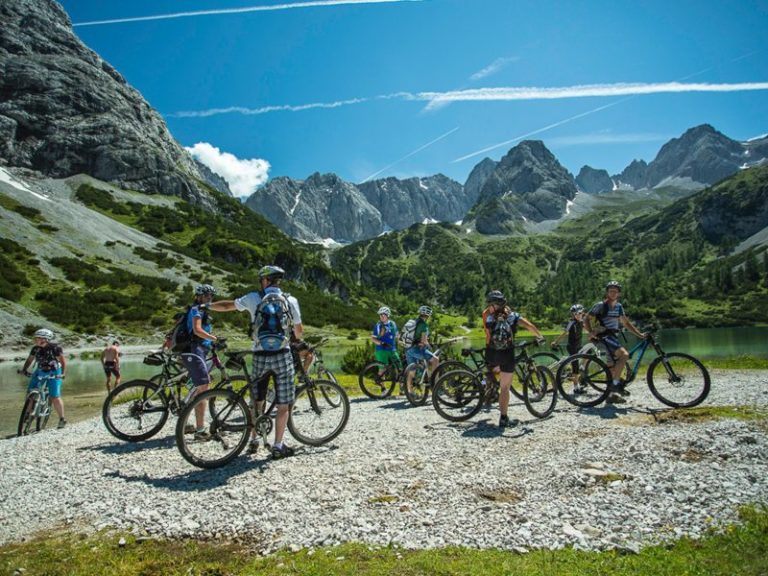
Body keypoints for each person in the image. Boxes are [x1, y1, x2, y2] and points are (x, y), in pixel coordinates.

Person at [208, 265, 302, 459]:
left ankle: (254, 440)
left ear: (265, 280)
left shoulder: (253, 298)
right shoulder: (290, 300)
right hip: (282, 355)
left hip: (260, 355)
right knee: (283, 404)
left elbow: (227, 306)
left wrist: (206, 306)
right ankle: (278, 445)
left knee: (256, 400)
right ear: (278, 281)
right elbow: (299, 331)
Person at [483, 290, 545, 428]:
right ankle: (503, 419)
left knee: (491, 373)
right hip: (507, 354)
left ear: (495, 305)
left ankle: (486, 387)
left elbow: (488, 336)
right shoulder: (513, 316)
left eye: (490, 305)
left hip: (492, 353)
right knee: (505, 388)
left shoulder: (489, 319)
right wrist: (540, 336)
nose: (489, 307)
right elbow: (529, 326)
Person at [584, 281, 647, 404]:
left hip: (613, 336)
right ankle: (616, 384)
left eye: (615, 291)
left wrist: (639, 334)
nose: (613, 293)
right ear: (607, 292)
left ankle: (611, 396)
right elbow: (587, 318)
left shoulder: (619, 307)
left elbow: (626, 323)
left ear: (619, 293)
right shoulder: (600, 305)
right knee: (624, 355)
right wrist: (591, 332)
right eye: (611, 291)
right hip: (603, 335)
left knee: (612, 367)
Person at [180, 284, 221, 438]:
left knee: (198, 386)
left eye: (211, 296)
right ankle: (200, 430)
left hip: (200, 350)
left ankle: (185, 421)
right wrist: (214, 338)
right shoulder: (197, 310)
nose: (209, 298)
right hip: (195, 350)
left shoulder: (202, 311)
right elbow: (197, 330)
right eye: (206, 296)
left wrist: (211, 340)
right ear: (198, 296)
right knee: (203, 388)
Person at [20, 328, 67, 429]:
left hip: (54, 371)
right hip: (40, 370)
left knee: (54, 396)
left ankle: (62, 419)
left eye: (40, 338)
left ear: (47, 339)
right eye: (36, 338)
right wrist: (24, 369)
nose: (37, 340)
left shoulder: (55, 348)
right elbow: (30, 360)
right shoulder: (35, 348)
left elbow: (63, 362)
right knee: (30, 393)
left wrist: (62, 374)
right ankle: (27, 414)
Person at [404, 305, 439, 397]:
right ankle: (434, 383)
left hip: (407, 349)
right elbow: (424, 340)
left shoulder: (414, 322)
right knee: (435, 359)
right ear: (428, 316)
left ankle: (410, 391)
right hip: (415, 349)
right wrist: (429, 345)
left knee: (412, 371)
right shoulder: (423, 325)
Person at [550, 304, 586, 391]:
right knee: (575, 366)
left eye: (580, 313)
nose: (578, 315)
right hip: (572, 347)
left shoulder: (581, 322)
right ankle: (576, 387)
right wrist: (556, 341)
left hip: (578, 346)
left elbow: (587, 329)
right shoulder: (572, 323)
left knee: (588, 352)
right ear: (573, 315)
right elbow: (565, 333)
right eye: (576, 313)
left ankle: (582, 368)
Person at [371, 306, 399, 375]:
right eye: (380, 315)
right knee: (382, 369)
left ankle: (402, 385)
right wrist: (381, 343)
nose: (381, 316)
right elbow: (373, 338)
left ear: (388, 315)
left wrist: (402, 342)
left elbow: (397, 335)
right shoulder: (378, 325)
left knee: (399, 367)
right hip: (381, 350)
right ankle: (382, 385)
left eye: (383, 315)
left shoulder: (393, 324)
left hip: (392, 349)